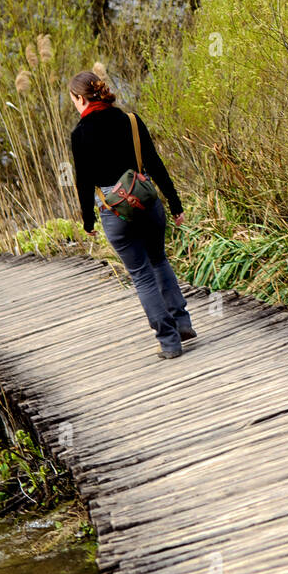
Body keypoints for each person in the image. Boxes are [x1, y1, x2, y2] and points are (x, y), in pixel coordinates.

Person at [68, 70, 196, 359]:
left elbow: (84, 181)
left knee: (141, 275)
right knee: (160, 261)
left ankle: (169, 342)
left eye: (74, 100)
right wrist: (175, 204)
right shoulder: (131, 121)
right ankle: (183, 323)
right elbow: (155, 162)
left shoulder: (79, 134)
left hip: (115, 213)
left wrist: (87, 220)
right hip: (148, 204)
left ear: (80, 99)